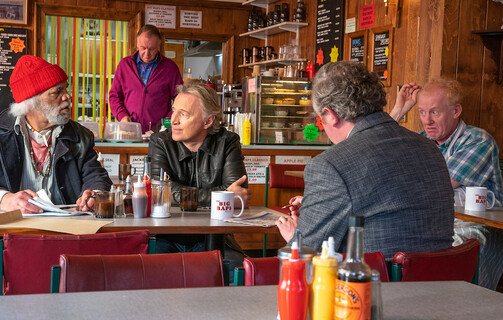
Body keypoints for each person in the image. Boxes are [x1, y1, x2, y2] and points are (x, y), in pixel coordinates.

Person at [0, 55, 112, 303]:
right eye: (56, 92)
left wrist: (92, 191)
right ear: (30, 101)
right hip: (12, 240)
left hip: (68, 237)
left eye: (66, 89)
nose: (67, 97)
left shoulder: (79, 135)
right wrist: (6, 199)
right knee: (6, 292)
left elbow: (95, 174)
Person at [275, 61, 454, 258]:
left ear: (331, 115)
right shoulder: (430, 148)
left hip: (372, 284)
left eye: (320, 119)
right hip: (442, 283)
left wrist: (295, 237)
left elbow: (303, 253)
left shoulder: (331, 165)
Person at [390, 79, 503, 290]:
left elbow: (439, 188)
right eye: (421, 112)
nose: (426, 121)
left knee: (453, 251)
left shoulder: (478, 140)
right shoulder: (421, 141)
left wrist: (405, 185)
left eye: (434, 112)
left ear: (456, 111)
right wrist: (398, 111)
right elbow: (376, 152)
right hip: (436, 223)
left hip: (481, 226)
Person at [148, 82, 251, 268]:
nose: (173, 120)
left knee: (235, 266)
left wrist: (180, 193)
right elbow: (161, 193)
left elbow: (239, 194)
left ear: (208, 121)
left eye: (184, 114)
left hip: (215, 238)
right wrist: (222, 196)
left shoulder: (227, 142)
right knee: (151, 266)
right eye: (173, 111)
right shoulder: (161, 142)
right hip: (165, 237)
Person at [109, 24, 183, 133]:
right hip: (129, 131)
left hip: (159, 133)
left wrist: (167, 121)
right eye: (143, 48)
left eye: (152, 49)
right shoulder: (124, 65)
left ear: (159, 46)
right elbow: (114, 96)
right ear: (137, 44)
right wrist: (122, 116)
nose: (147, 54)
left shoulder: (170, 68)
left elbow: (180, 98)